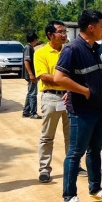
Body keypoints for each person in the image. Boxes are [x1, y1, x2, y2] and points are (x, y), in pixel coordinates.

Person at [53, 10, 102, 202]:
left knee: (95, 151)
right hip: (82, 111)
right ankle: (69, 196)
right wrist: (84, 91)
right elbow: (59, 78)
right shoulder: (72, 49)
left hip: (98, 108)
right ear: (91, 28)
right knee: (75, 153)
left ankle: (95, 189)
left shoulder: (94, 48)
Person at [34, 21, 70, 183]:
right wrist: (64, 81)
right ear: (50, 35)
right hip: (51, 97)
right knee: (47, 136)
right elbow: (43, 76)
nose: (64, 35)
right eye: (60, 32)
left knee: (72, 136)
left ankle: (73, 166)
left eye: (65, 32)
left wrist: (70, 87)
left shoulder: (69, 51)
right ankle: (44, 169)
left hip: (70, 96)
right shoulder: (41, 53)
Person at [22, 32, 41, 119]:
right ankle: (33, 113)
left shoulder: (30, 48)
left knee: (30, 92)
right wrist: (31, 74)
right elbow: (26, 61)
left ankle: (26, 112)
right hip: (31, 75)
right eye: (36, 39)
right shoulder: (28, 48)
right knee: (33, 94)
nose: (37, 41)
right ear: (34, 39)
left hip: (32, 74)